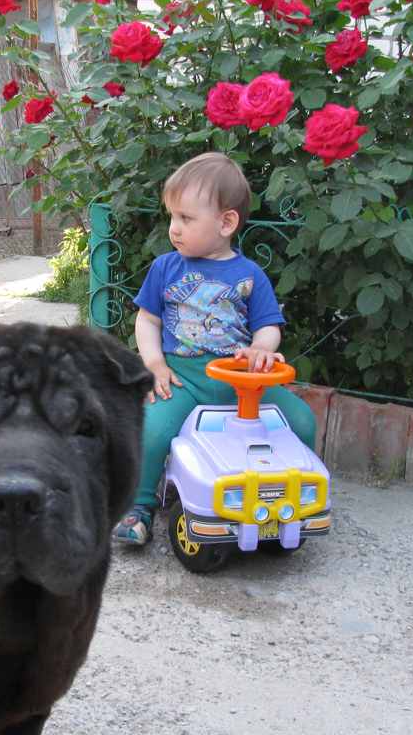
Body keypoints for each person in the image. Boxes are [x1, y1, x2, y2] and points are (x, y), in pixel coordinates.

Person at [112, 152, 317, 546]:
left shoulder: (250, 275)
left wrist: (261, 349)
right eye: (172, 217)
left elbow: (269, 326)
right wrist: (153, 362)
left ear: (226, 223)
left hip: (244, 382)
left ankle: (296, 500)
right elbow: (147, 320)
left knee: (302, 421)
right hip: (183, 378)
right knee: (151, 428)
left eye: (186, 219)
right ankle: (138, 508)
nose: (174, 228)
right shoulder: (166, 268)